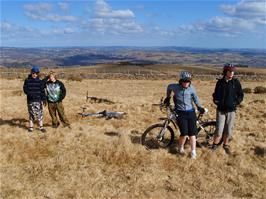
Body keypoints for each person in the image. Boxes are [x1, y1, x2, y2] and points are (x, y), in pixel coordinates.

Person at [163, 71, 205, 159]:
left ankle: (193, 152)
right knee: (184, 133)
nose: (186, 83)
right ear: (181, 81)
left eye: (188, 81)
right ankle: (180, 148)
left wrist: (200, 107)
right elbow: (169, 87)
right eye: (185, 81)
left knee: (192, 134)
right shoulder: (175, 87)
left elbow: (196, 99)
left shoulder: (192, 88)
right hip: (181, 113)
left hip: (191, 113)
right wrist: (168, 97)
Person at [212, 63, 244, 154]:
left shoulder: (236, 82)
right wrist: (216, 101)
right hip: (221, 110)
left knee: (229, 130)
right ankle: (214, 145)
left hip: (231, 110)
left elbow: (241, 95)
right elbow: (215, 94)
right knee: (219, 130)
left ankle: (225, 145)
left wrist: (236, 102)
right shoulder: (220, 82)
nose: (231, 73)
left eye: (233, 71)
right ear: (225, 72)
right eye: (229, 71)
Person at [23, 66, 47, 133]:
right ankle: (31, 128)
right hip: (30, 101)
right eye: (33, 73)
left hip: (38, 100)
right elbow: (25, 89)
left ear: (38, 74)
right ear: (31, 73)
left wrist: (44, 99)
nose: (35, 74)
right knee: (31, 114)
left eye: (36, 73)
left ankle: (41, 127)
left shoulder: (40, 81)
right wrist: (30, 94)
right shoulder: (27, 80)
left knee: (39, 114)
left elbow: (42, 91)